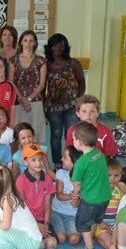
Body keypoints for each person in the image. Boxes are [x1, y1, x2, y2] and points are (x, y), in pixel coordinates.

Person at [71, 121, 111, 249]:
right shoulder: (99, 154)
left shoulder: (81, 163)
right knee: (95, 217)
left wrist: (75, 197)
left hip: (91, 200)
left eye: (74, 138)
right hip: (105, 197)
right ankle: (95, 230)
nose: (73, 141)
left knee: (82, 223)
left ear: (80, 142)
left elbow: (76, 185)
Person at [44, 33, 85, 167]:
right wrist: (45, 108)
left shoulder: (73, 63)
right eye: (54, 45)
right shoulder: (47, 65)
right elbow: (43, 87)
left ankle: (72, 163)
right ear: (50, 47)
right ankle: (58, 164)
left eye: (61, 45)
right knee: (55, 136)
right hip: (53, 108)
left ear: (65, 47)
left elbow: (82, 84)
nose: (58, 48)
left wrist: (77, 102)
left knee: (71, 136)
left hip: (72, 108)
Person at [16, 143, 57, 249]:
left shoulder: (47, 178)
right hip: (27, 220)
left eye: (40, 159)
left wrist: (46, 223)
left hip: (43, 220)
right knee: (40, 246)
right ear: (25, 162)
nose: (38, 163)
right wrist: (35, 224)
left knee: (52, 244)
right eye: (33, 160)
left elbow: (48, 203)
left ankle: (39, 237)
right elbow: (21, 207)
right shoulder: (21, 180)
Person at [8, 30, 47, 143]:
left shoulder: (41, 61)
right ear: (21, 42)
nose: (28, 44)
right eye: (25, 40)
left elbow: (42, 84)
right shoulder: (13, 60)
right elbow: (11, 81)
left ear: (35, 43)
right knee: (18, 132)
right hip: (17, 102)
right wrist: (21, 98)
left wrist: (28, 99)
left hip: (35, 101)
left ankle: (35, 157)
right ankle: (17, 158)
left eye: (31, 41)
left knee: (36, 132)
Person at [51, 145, 82, 246]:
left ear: (74, 162)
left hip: (73, 215)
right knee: (61, 238)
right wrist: (71, 197)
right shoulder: (61, 173)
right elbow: (59, 195)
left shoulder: (83, 178)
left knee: (74, 240)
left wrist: (77, 202)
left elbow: (82, 200)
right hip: (57, 212)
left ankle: (74, 232)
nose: (61, 159)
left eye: (65, 157)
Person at [95, 158, 126, 249]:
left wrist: (117, 226)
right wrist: (101, 223)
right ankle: (98, 237)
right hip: (99, 225)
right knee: (111, 245)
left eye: (116, 175)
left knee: (123, 244)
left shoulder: (119, 193)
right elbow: (92, 211)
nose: (112, 179)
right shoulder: (98, 192)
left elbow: (124, 211)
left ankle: (99, 239)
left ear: (121, 176)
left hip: (114, 226)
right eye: (108, 175)